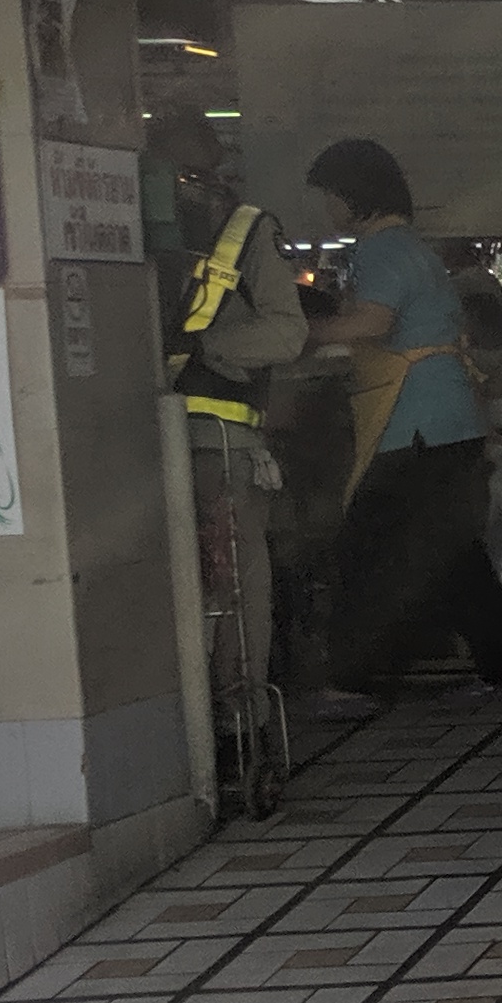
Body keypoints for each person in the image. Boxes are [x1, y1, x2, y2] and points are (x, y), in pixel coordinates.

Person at [301, 138, 502, 716]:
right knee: (456, 553)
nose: (327, 210)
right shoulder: (413, 249)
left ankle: (349, 679)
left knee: (366, 548)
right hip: (446, 416)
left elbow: (373, 321)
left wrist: (301, 333)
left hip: (410, 421)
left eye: (330, 196)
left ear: (351, 195)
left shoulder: (379, 252)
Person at [161, 148, 310, 712]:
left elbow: (284, 333)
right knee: (217, 586)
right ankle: (213, 719)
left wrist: (203, 350)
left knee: (229, 586)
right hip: (154, 445)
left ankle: (233, 716)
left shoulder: (244, 232)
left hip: (215, 446)